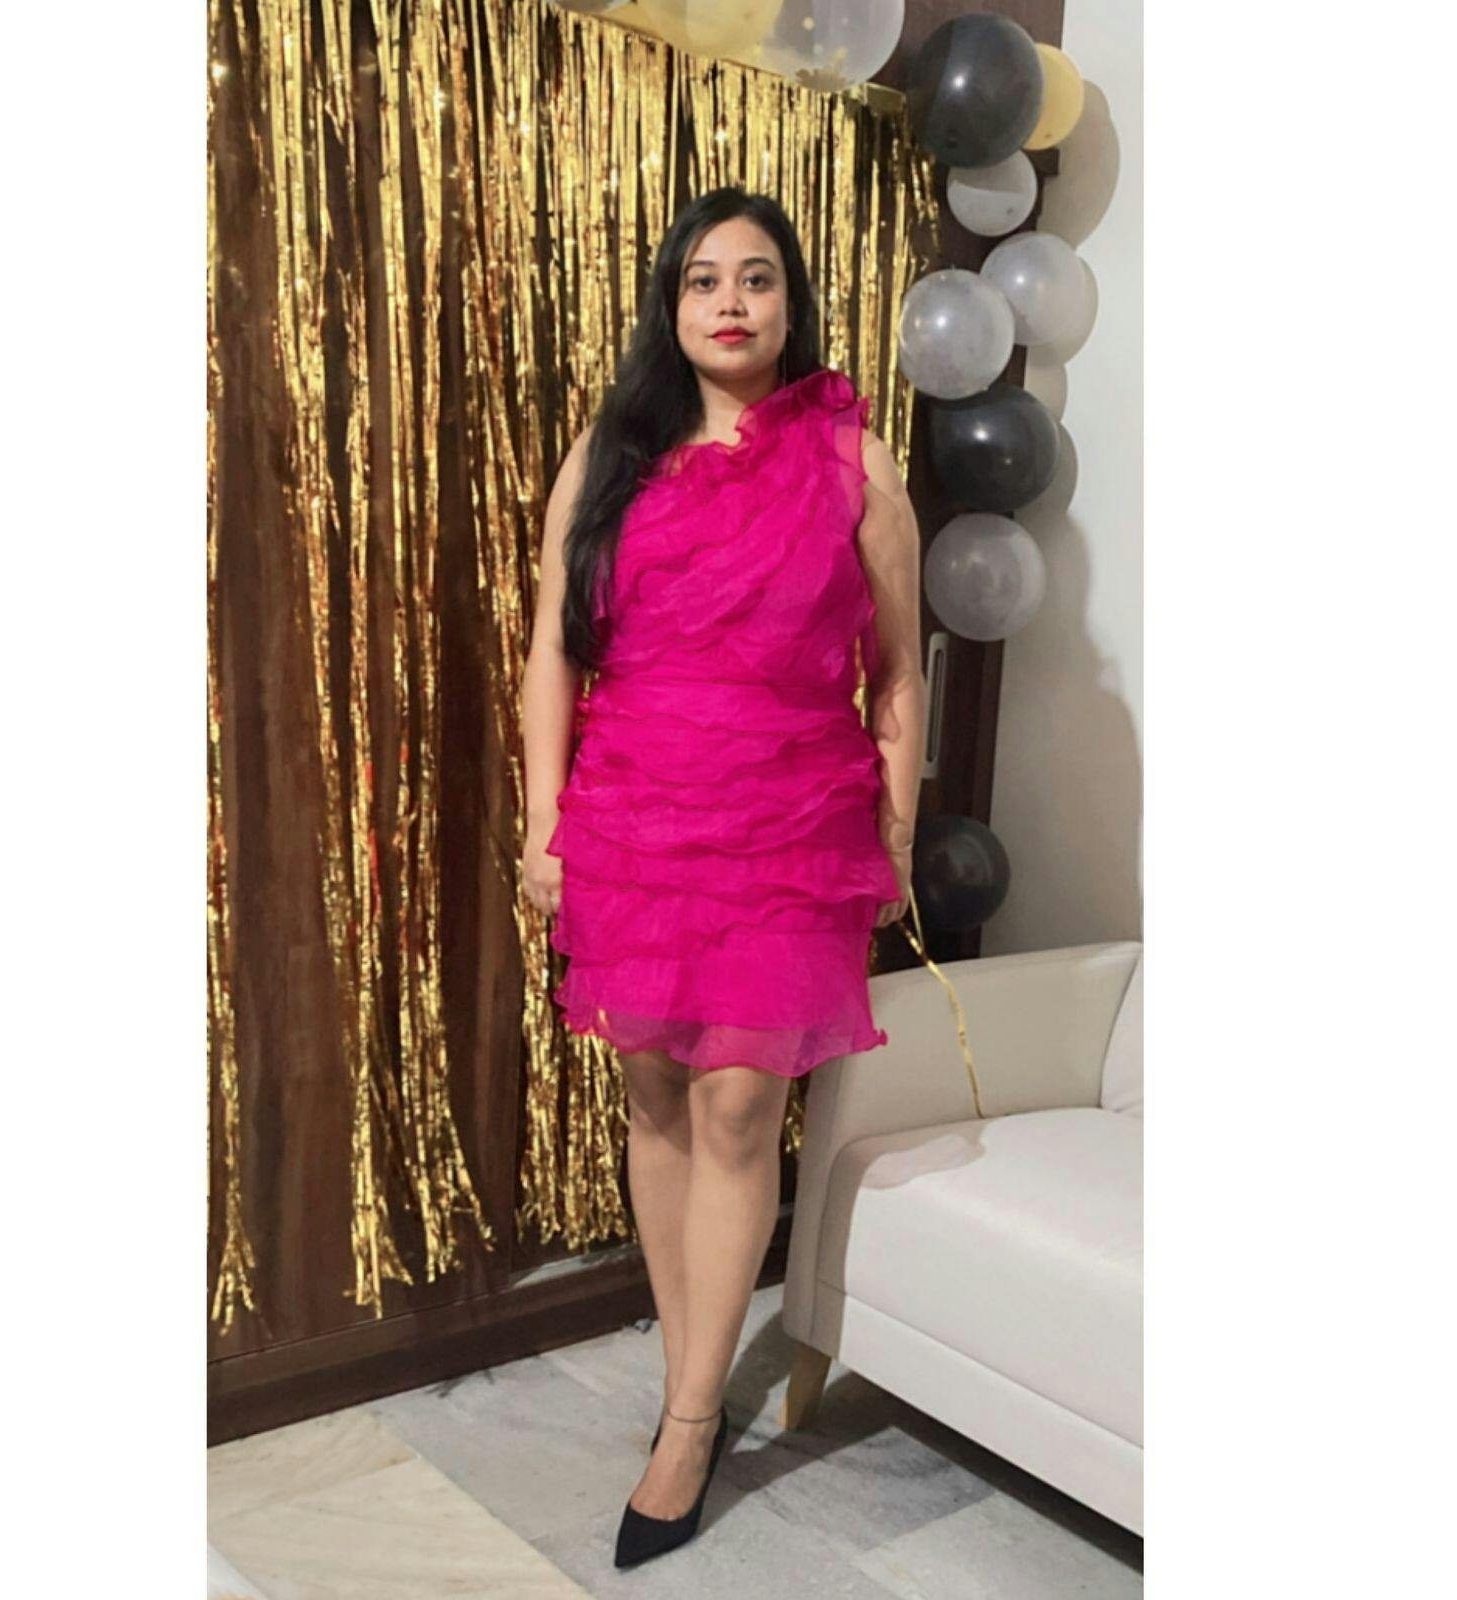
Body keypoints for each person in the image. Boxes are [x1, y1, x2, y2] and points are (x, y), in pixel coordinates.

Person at [520, 186, 924, 1567]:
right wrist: (543, 826)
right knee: (656, 1093)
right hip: (635, 816)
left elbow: (900, 671)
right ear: (672, 305)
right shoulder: (612, 455)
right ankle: (687, 1362)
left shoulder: (853, 460)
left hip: (793, 824)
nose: (732, 301)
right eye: (704, 279)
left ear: (792, 303)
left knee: (741, 1104)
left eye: (758, 277)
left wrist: (897, 837)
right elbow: (552, 651)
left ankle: (691, 1424)